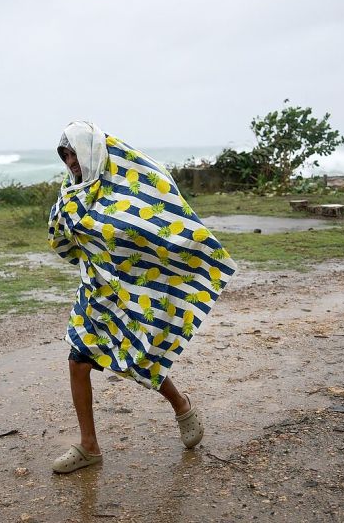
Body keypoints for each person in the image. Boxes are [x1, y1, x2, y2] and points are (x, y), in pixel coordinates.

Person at [47, 121, 238, 473]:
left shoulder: (127, 188)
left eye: (74, 153)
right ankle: (89, 446)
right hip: (95, 291)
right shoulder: (71, 192)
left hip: (132, 290)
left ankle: (182, 406)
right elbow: (63, 236)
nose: (71, 161)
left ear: (91, 151)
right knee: (78, 360)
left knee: (139, 357)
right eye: (65, 155)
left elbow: (157, 222)